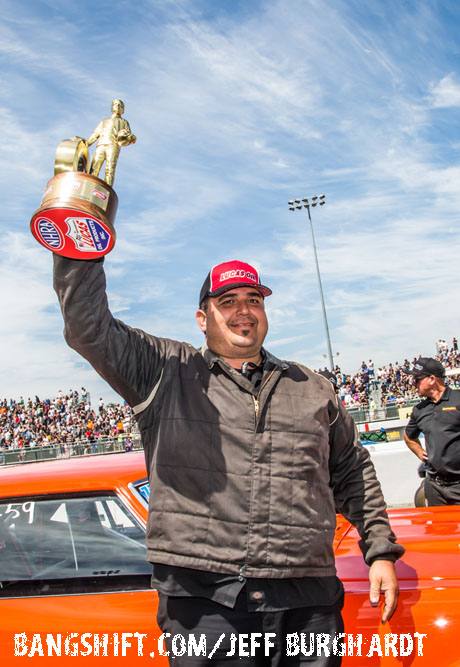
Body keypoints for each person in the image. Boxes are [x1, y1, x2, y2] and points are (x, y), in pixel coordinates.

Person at [53, 256, 404, 665]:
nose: (244, 310)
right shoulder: (164, 370)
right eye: (228, 301)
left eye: (254, 300)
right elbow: (88, 328)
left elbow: (352, 471)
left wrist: (380, 550)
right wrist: (81, 250)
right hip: (206, 605)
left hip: (308, 601)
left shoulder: (312, 387)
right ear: (203, 318)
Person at [403, 357, 460, 505]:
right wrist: (420, 452)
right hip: (435, 488)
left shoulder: (458, 400)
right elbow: (409, 437)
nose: (413, 384)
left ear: (432, 379)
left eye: (417, 379)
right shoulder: (419, 410)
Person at [87, 99, 136, 186]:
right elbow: (95, 134)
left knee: (110, 169)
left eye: (120, 105)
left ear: (123, 110)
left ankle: (107, 188)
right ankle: (89, 185)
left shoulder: (124, 122)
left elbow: (128, 135)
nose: (118, 106)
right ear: (112, 107)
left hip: (113, 146)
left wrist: (131, 138)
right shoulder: (104, 122)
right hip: (101, 145)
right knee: (94, 166)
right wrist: (86, 143)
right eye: (116, 104)